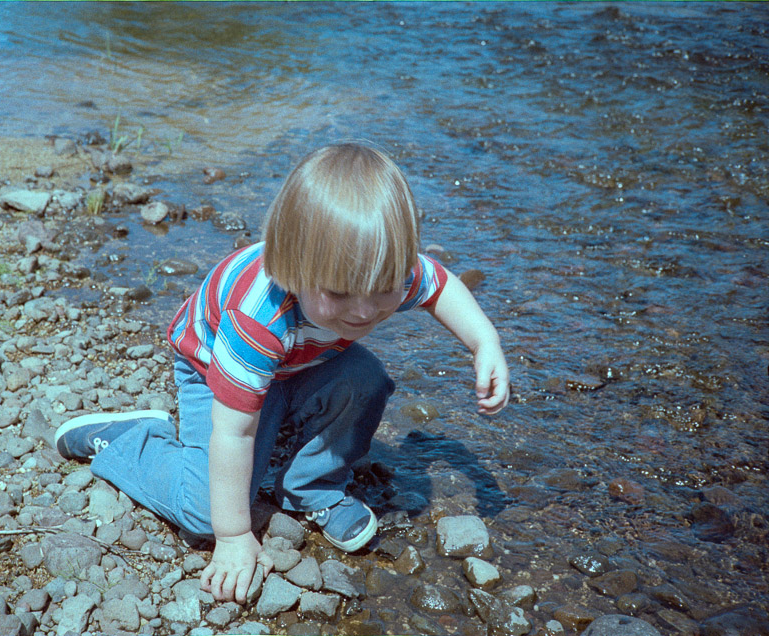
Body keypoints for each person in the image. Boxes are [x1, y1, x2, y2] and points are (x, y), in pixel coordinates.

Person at [54, 143, 510, 604]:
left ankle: (312, 488)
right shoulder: (258, 316)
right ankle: (130, 440)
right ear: (293, 271)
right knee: (204, 512)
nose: (365, 310)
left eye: (384, 291)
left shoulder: (380, 269)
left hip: (300, 362)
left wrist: (483, 342)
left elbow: (440, 286)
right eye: (340, 292)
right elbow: (234, 432)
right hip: (214, 367)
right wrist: (232, 536)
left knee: (366, 378)